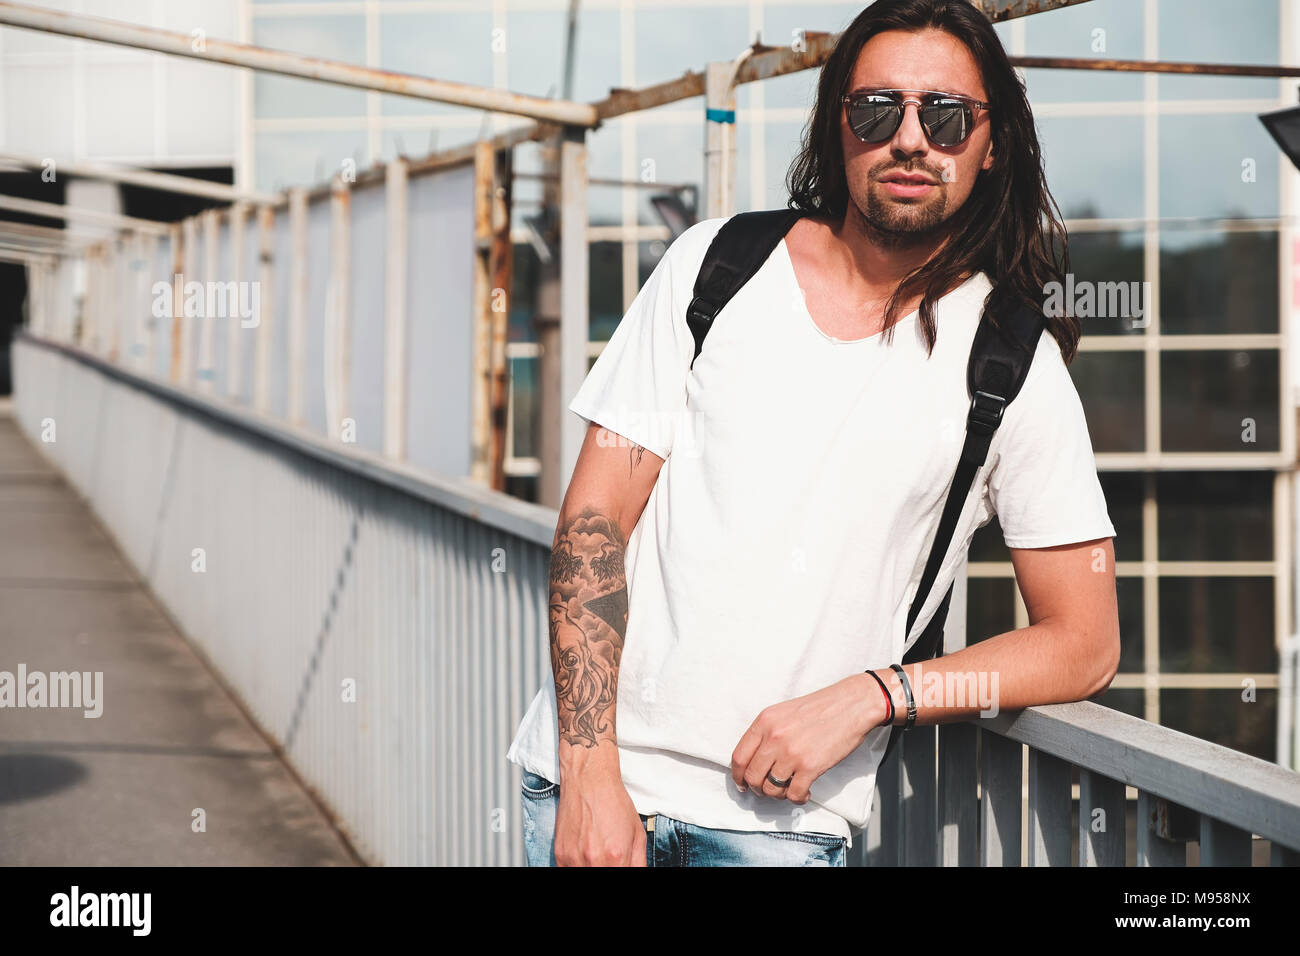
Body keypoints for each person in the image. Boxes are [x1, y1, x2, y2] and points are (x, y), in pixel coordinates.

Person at [506, 0, 1120, 867]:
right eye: (878, 110)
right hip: (599, 794)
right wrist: (588, 774)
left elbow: (1084, 641)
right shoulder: (714, 269)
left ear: (994, 145)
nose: (911, 138)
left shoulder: (1011, 362)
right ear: (839, 127)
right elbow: (593, 523)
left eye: (946, 117)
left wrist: (878, 696)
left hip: (785, 829)